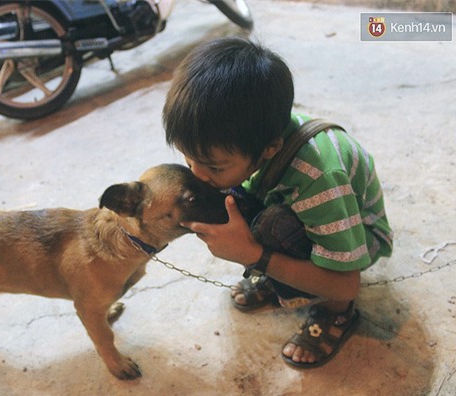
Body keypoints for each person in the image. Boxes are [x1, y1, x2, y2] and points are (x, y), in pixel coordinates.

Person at [162, 37, 393, 368]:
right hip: (307, 211)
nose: (199, 174)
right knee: (229, 203)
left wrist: (255, 256)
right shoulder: (251, 134)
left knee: (271, 227)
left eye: (213, 166)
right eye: (188, 158)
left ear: (270, 149)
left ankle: (335, 315)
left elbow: (347, 283)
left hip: (356, 239)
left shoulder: (319, 178)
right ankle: (287, 279)